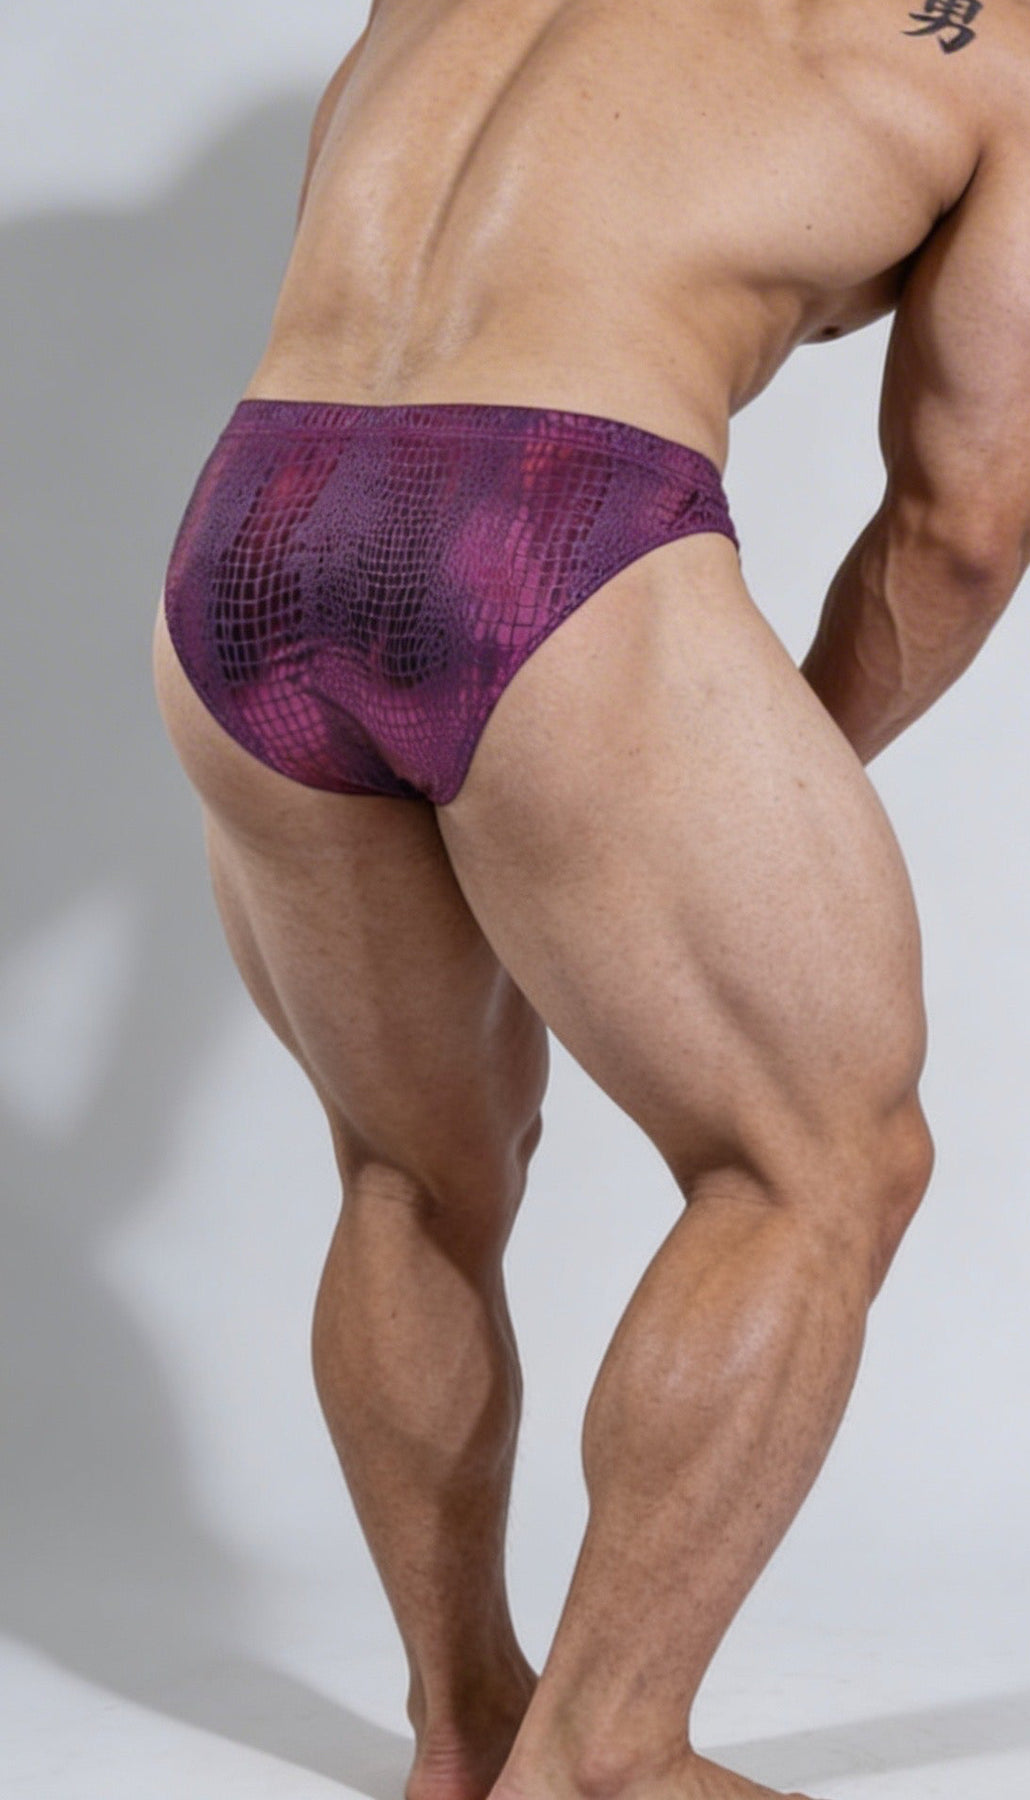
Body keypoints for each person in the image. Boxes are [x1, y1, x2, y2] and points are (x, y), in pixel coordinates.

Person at [150, 1, 1030, 1796]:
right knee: (822, 1163)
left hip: (253, 523)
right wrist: (749, 785)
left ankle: (463, 1727)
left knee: (405, 1173)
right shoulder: (996, 41)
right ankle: (606, 1757)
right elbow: (961, 526)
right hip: (551, 523)